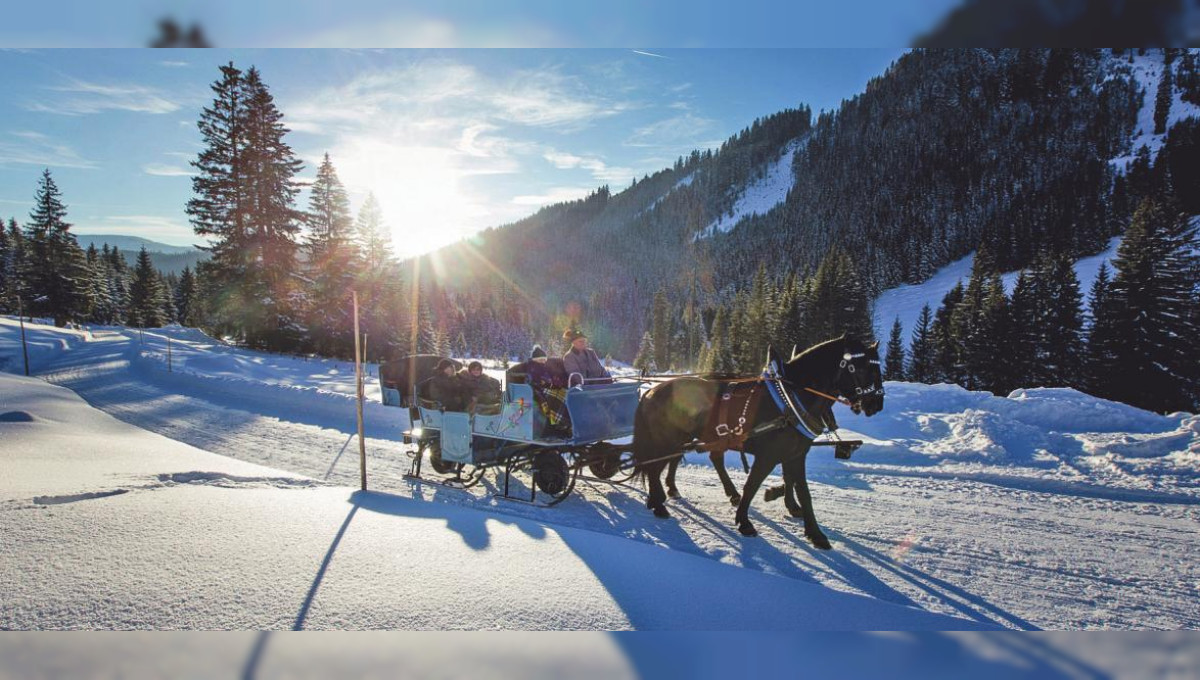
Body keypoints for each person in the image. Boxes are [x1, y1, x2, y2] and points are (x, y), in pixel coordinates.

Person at [527, 344, 570, 435]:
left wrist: (556, 383)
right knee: (555, 396)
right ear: (535, 360)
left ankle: (564, 419)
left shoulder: (545, 367)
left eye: (544, 360)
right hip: (537, 389)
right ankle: (557, 421)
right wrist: (549, 384)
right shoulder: (533, 367)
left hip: (546, 387)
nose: (543, 362)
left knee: (565, 393)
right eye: (540, 360)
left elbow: (550, 378)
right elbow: (536, 380)